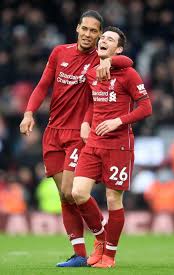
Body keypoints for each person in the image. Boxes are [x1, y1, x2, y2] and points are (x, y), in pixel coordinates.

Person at [19, 11, 133, 267]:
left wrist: (111, 61)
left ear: (99, 35)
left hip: (79, 134)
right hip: (53, 132)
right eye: (85, 29)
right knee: (64, 195)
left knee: (73, 190)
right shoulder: (60, 52)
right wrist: (28, 113)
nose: (88, 35)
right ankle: (80, 253)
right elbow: (42, 85)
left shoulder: (101, 57)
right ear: (77, 28)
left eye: (95, 32)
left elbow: (127, 60)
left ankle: (101, 237)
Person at [72, 26, 152, 268]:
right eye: (102, 37)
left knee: (112, 199)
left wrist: (119, 120)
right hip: (94, 141)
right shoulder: (91, 73)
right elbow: (92, 102)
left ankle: (110, 256)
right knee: (78, 193)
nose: (103, 40)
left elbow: (146, 108)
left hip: (119, 144)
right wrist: (86, 123)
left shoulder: (129, 73)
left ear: (118, 49)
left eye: (110, 39)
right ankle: (100, 239)